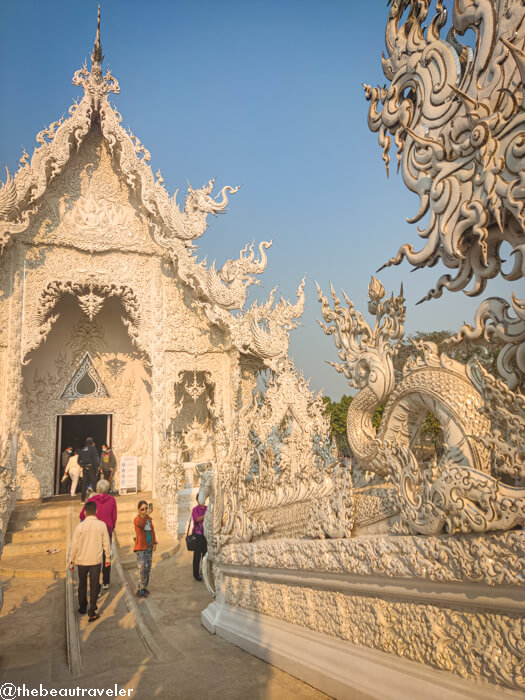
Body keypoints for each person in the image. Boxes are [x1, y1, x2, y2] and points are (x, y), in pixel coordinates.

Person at [69, 499, 110, 622]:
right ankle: (92, 610)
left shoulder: (79, 527)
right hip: (95, 561)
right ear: (96, 511)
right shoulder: (102, 525)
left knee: (82, 584)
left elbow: (74, 545)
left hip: (81, 560)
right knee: (94, 585)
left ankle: (82, 607)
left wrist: (71, 561)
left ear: (85, 512)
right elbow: (106, 544)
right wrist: (107, 557)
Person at [79, 479, 117, 589]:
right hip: (107, 530)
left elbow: (82, 515)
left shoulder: (92, 500)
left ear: (97, 489)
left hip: (93, 532)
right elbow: (114, 517)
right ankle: (106, 581)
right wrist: (111, 528)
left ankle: (95, 583)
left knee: (95, 557)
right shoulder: (112, 500)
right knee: (107, 555)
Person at [134, 500, 157, 598]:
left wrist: (154, 542)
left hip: (149, 547)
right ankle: (140, 589)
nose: (144, 511)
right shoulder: (137, 519)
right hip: (141, 548)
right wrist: (145, 515)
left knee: (148, 568)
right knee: (142, 569)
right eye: (142, 509)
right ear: (139, 510)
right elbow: (141, 525)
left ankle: (144, 587)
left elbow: (152, 531)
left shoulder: (149, 519)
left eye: (146, 508)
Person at [190, 495, 207, 581]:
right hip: (198, 535)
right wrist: (206, 515)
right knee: (197, 556)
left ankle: (204, 572)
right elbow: (197, 519)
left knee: (205, 556)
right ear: (197, 500)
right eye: (200, 499)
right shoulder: (195, 509)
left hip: (206, 535)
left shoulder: (207, 508)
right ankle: (196, 574)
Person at [78, 437, 100, 503]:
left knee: (84, 484)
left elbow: (78, 461)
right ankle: (96, 499)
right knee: (94, 483)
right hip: (91, 468)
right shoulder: (93, 449)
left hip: (85, 468)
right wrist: (96, 469)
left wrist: (84, 466)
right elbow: (95, 460)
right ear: (91, 442)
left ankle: (82, 500)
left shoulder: (82, 449)